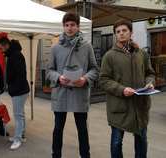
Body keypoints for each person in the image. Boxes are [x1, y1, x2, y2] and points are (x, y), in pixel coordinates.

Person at [99, 19, 155, 158]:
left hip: (140, 106)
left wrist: (149, 82)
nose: (121, 34)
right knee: (117, 142)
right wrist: (122, 89)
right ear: (115, 35)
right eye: (118, 32)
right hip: (119, 107)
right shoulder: (109, 56)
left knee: (142, 140)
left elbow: (150, 73)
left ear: (131, 32)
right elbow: (104, 80)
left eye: (124, 30)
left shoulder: (141, 53)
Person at [46, 12, 99, 158]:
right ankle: (56, 155)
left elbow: (94, 68)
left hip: (79, 92)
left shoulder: (87, 46)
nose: (69, 28)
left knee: (82, 129)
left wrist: (85, 79)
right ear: (63, 27)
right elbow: (49, 70)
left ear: (78, 26)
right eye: (67, 25)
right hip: (61, 93)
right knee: (58, 129)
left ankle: (85, 155)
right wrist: (58, 77)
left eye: (72, 25)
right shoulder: (55, 48)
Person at [0, 37, 30, 150]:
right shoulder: (13, 54)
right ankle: (21, 135)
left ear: (6, 45)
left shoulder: (16, 55)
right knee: (21, 114)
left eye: (1, 48)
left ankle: (18, 139)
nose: (1, 51)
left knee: (18, 115)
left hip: (19, 90)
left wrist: (14, 89)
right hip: (19, 90)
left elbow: (20, 75)